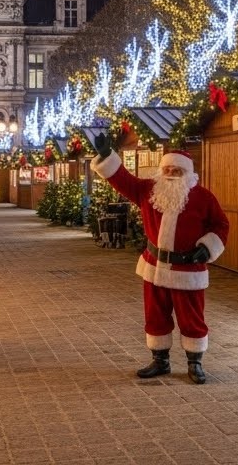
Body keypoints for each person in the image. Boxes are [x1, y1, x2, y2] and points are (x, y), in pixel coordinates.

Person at [91, 133, 229, 384]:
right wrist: (106, 156)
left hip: (187, 269)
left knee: (192, 317)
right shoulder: (148, 191)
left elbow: (221, 225)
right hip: (154, 268)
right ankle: (160, 360)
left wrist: (208, 247)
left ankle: (195, 362)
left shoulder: (203, 197)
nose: (171, 173)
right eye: (167, 169)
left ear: (187, 173)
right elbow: (122, 180)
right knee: (155, 314)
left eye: (177, 170)